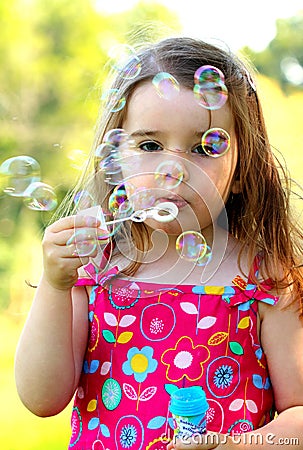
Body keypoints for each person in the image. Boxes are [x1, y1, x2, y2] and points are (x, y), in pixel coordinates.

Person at [15, 36, 303, 450]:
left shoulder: (262, 276)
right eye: (149, 145)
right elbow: (41, 399)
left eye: (205, 148)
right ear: (114, 160)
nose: (174, 168)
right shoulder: (92, 268)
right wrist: (55, 285)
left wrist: (233, 446)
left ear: (242, 169)